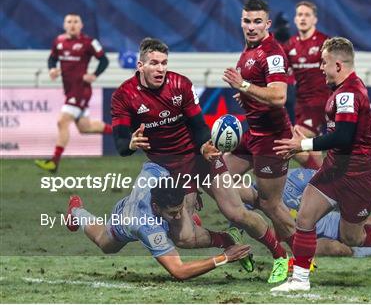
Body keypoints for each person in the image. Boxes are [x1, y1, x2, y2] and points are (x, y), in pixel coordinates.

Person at [111, 37, 289, 280]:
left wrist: (205, 146)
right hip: (171, 171)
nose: (160, 68)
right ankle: (228, 240)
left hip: (201, 158)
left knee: (237, 213)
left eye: (164, 63)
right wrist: (131, 144)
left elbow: (199, 126)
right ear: (140, 66)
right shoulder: (124, 96)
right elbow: (121, 143)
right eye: (154, 63)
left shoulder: (180, 84)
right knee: (184, 237)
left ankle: (280, 256)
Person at [271, 37, 371, 292]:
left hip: (359, 177)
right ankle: (299, 280)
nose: (320, 67)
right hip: (333, 169)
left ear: (338, 65)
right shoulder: (341, 90)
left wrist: (303, 145)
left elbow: (343, 136)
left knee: (352, 237)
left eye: (324, 62)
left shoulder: (349, 93)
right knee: (305, 217)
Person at [65, 162, 251, 281]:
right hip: (125, 217)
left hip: (150, 204)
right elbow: (179, 271)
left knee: (184, 231)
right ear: (156, 208)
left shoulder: (156, 170)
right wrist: (225, 258)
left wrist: (192, 190)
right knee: (104, 243)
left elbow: (179, 166)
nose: (178, 215)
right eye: (173, 213)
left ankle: (224, 238)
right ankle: (76, 211)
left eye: (179, 210)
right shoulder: (146, 227)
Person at [221, 0, 296, 283]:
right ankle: (242, 226)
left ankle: (301, 259)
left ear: (267, 24)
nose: (251, 27)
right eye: (246, 21)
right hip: (252, 133)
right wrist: (248, 93)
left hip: (273, 139)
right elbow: (261, 90)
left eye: (257, 22)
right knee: (216, 179)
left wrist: (243, 85)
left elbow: (279, 96)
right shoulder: (249, 50)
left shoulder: (273, 52)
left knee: (271, 205)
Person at [239, 167, 371, 258]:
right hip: (301, 237)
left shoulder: (298, 177)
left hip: (326, 222)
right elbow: (243, 217)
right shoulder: (256, 191)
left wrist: (351, 214)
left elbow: (333, 189)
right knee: (338, 249)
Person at [35, 13, 111, 173]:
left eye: (76, 22)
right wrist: (52, 70)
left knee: (62, 121)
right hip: (69, 90)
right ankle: (122, 130)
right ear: (64, 25)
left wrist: (94, 75)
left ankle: (54, 162)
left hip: (81, 90)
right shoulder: (59, 41)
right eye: (69, 22)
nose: (72, 24)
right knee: (85, 127)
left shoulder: (89, 42)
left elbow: (104, 60)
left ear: (81, 25)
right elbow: (52, 59)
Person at [282, 1, 331, 170]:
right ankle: (322, 179)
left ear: (314, 19)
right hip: (302, 105)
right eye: (300, 15)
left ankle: (322, 179)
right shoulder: (290, 45)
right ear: (295, 19)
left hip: (322, 103)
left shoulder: (325, 42)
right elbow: (280, 72)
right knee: (309, 148)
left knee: (292, 141)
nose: (303, 18)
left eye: (307, 15)